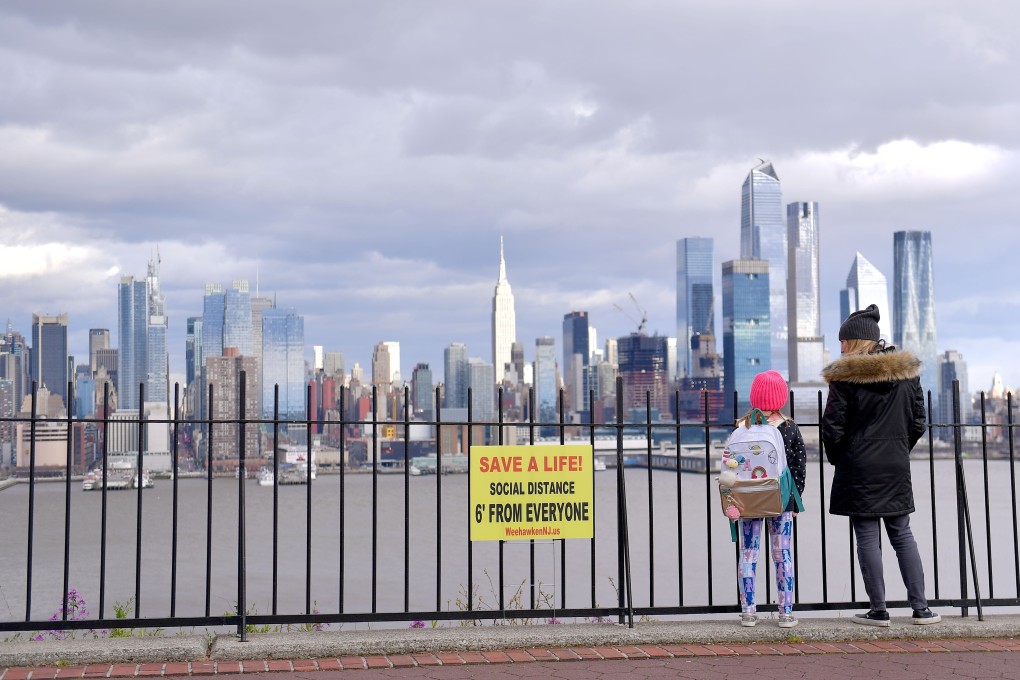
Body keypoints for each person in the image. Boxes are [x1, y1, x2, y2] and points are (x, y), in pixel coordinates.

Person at [820, 304, 941, 626]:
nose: (841, 347)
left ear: (855, 342)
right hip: (895, 465)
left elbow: (832, 428)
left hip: (858, 466)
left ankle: (879, 610)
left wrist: (842, 458)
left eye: (843, 341)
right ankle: (921, 609)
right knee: (902, 534)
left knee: (867, 537)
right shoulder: (907, 374)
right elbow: (918, 422)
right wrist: (899, 449)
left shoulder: (845, 377)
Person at [733, 369, 807, 628]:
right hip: (781, 500)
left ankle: (748, 612)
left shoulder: (743, 428)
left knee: (748, 554)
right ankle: (786, 612)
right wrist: (796, 502)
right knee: (782, 553)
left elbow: (731, 466)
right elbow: (798, 467)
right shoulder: (789, 428)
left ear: (754, 397)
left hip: (749, 500)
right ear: (781, 398)